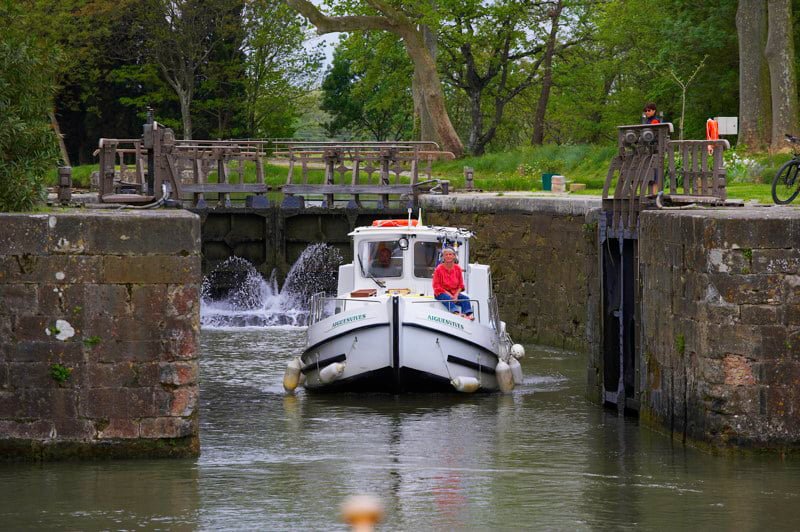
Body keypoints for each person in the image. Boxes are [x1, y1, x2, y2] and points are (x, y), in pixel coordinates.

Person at [432, 247, 474, 320]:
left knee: (465, 298)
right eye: (446, 254)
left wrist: (456, 295)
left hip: (454, 292)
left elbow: (461, 285)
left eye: (450, 254)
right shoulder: (438, 269)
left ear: (454, 256)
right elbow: (436, 286)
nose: (448, 256)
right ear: (443, 257)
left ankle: (467, 315)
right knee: (447, 298)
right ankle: (456, 313)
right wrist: (451, 296)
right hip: (441, 293)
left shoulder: (457, 268)